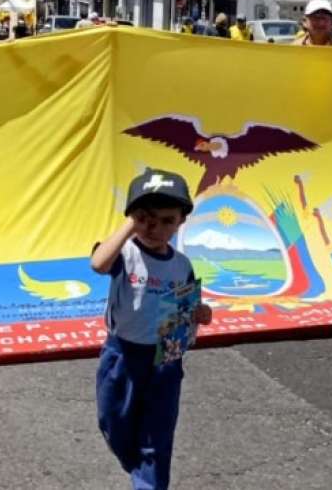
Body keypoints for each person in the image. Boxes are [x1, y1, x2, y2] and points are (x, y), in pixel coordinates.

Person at [91, 169, 213, 490]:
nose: (155, 229)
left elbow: (188, 307)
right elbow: (99, 264)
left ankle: (149, 481)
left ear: (181, 222)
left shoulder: (181, 264)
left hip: (164, 359)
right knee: (114, 423)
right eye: (147, 219)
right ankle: (138, 466)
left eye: (167, 220)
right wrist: (131, 225)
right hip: (122, 355)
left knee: (157, 436)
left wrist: (201, 313)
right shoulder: (125, 254)